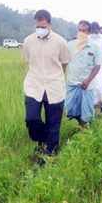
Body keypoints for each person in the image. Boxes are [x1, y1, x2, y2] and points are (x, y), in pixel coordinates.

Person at [22, 9, 70, 157]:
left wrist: (55, 76)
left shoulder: (60, 42)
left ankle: (51, 153)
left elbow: (64, 63)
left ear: (49, 24)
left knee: (53, 123)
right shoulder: (28, 41)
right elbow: (28, 60)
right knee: (31, 119)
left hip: (54, 86)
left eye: (43, 26)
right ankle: (42, 140)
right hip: (33, 85)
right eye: (38, 26)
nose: (40, 29)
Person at [65, 21, 101, 127]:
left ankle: (86, 129)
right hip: (72, 83)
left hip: (87, 85)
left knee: (86, 114)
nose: (81, 32)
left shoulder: (94, 47)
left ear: (89, 32)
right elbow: (63, 60)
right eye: (79, 30)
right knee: (71, 110)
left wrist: (88, 80)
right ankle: (79, 124)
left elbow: (97, 66)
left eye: (84, 31)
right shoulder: (70, 45)